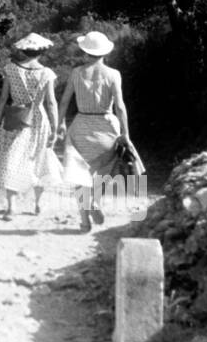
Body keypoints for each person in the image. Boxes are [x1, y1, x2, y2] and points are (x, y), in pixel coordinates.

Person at [58, 31, 145, 232]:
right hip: (106, 126)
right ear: (104, 52)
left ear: (85, 51)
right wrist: (126, 133)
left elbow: (64, 101)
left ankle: (84, 221)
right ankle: (95, 200)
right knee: (104, 171)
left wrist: (60, 124)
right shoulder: (113, 74)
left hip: (81, 126)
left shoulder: (76, 73)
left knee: (78, 173)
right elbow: (120, 106)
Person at [0, 33, 60, 220]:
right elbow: (52, 103)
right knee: (38, 160)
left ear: (23, 50)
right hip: (39, 119)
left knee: (11, 159)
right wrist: (55, 128)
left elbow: (3, 98)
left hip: (16, 117)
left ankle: (11, 207)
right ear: (42, 52)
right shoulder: (47, 73)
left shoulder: (11, 69)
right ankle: (38, 204)